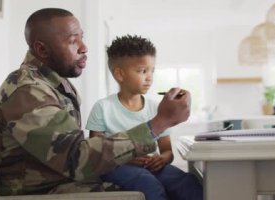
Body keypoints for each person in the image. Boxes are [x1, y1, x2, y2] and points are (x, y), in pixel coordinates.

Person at [0, 8, 191, 196]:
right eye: (73, 41)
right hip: (45, 192)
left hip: (67, 179)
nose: (84, 48)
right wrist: (160, 122)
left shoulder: (53, 84)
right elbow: (77, 159)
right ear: (42, 50)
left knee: (183, 184)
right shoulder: (29, 92)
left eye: (82, 38)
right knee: (149, 186)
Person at [86, 35, 203, 200]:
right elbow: (94, 154)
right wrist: (126, 159)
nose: (149, 77)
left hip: (152, 166)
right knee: (148, 183)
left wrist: (161, 159)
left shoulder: (157, 108)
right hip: (116, 168)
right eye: (142, 71)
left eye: (152, 71)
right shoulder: (102, 108)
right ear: (120, 74)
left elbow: (167, 151)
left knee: (186, 182)